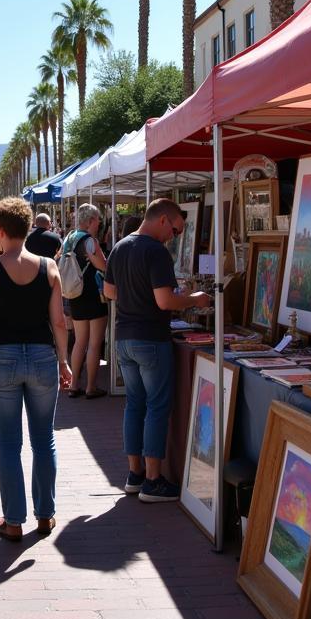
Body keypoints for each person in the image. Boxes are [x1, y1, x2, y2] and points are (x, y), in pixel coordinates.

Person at [0, 197, 71, 541]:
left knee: (9, 442)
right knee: (44, 440)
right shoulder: (49, 267)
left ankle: (13, 521)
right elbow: (59, 322)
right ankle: (45, 516)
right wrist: (64, 360)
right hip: (43, 357)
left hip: (3, 359)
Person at [103, 198, 213, 503]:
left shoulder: (121, 246)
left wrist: (135, 293)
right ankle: (153, 480)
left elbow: (110, 292)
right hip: (150, 337)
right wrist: (195, 298)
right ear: (163, 220)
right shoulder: (156, 251)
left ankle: (135, 474)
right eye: (175, 230)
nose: (174, 237)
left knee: (135, 404)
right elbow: (165, 301)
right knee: (156, 406)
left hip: (124, 337)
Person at [63, 204, 108, 398]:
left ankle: (74, 384)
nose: (99, 223)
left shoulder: (69, 238)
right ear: (90, 221)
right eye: (98, 219)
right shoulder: (89, 241)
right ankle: (91, 386)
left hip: (74, 293)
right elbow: (103, 266)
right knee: (95, 343)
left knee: (80, 341)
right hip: (92, 294)